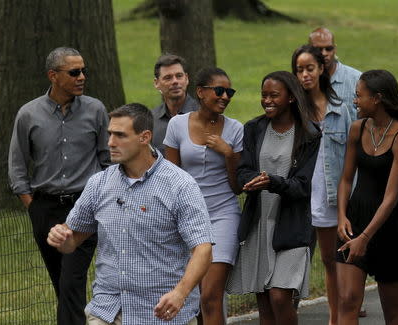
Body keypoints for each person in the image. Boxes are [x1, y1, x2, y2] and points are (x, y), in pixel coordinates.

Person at [47, 103, 213, 325]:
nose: (110, 143)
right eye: (110, 134)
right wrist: (62, 237)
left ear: (144, 137)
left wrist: (180, 293)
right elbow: (72, 241)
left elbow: (203, 249)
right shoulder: (99, 183)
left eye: (120, 135)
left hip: (162, 313)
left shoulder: (180, 185)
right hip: (108, 311)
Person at [8, 47, 109, 325]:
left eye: (83, 71)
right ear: (53, 76)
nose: (82, 77)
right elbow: (17, 166)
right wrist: (33, 207)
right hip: (45, 209)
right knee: (61, 282)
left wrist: (99, 200)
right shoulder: (28, 114)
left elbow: (107, 160)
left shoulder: (96, 110)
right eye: (74, 72)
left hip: (84, 207)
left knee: (71, 281)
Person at [227, 71, 321, 325]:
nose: (267, 100)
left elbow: (303, 186)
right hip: (259, 222)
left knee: (280, 296)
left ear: (291, 98)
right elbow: (243, 171)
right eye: (264, 95)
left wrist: (273, 182)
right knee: (265, 302)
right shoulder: (254, 128)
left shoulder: (310, 135)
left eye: (274, 95)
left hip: (292, 224)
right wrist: (253, 181)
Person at [336, 70, 398, 325]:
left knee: (393, 310)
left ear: (377, 98)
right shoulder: (357, 128)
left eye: (359, 96)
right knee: (347, 300)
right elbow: (345, 179)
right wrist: (342, 216)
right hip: (355, 219)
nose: (355, 101)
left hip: (389, 227)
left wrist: (365, 238)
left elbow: (391, 196)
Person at [164, 67, 243, 325]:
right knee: (195, 298)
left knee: (210, 295)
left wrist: (229, 154)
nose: (225, 97)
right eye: (219, 91)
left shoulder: (235, 130)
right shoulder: (177, 125)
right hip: (188, 217)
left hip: (223, 214)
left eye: (229, 92)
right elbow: (171, 177)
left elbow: (236, 187)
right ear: (200, 92)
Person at [292, 44, 351, 325]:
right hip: (306, 195)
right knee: (314, 260)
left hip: (335, 195)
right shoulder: (294, 112)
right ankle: (327, 316)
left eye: (310, 68)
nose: (304, 75)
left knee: (339, 260)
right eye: (299, 69)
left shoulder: (341, 108)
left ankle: (340, 316)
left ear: (321, 69)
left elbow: (353, 155)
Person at [309, 27, 361, 121]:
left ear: (335, 49)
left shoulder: (357, 80)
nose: (324, 53)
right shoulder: (303, 81)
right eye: (318, 49)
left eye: (328, 48)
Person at [152, 54, 199, 154]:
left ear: (186, 79)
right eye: (168, 78)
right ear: (156, 83)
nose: (175, 81)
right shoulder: (151, 120)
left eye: (179, 76)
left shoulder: (203, 114)